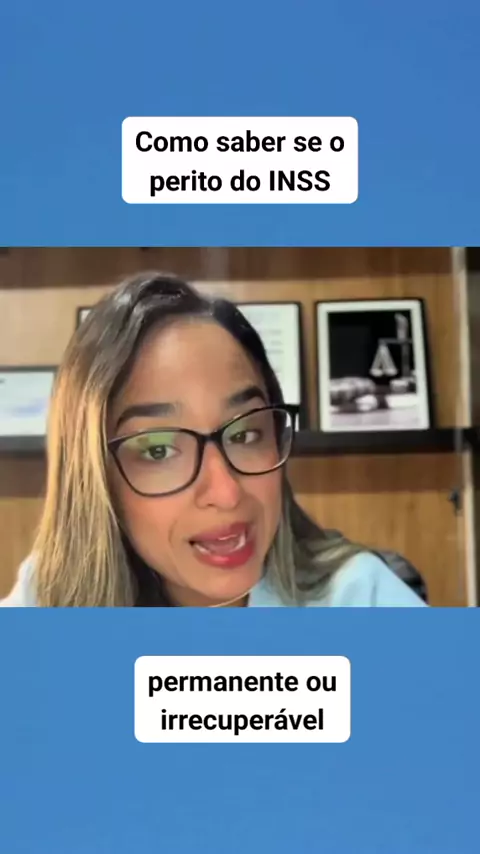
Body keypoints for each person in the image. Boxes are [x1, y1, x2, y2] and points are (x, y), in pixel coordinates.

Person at [0, 273, 426, 608]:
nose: (226, 493)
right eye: (159, 450)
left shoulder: (360, 599)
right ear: (95, 478)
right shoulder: (52, 595)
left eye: (245, 434)